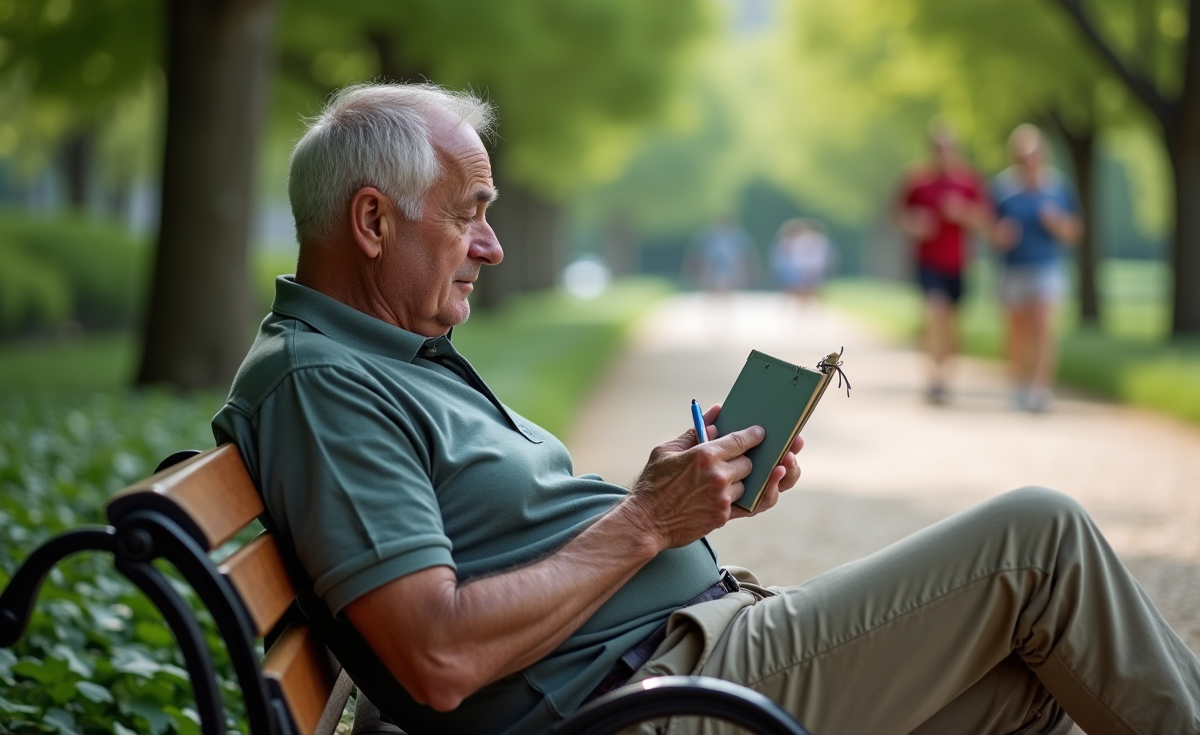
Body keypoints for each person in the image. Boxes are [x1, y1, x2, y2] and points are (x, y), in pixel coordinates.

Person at [213, 83, 1200, 735]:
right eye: (471, 212)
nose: (493, 246)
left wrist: (683, 494)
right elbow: (435, 654)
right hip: (653, 697)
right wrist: (648, 522)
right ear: (373, 220)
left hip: (677, 663)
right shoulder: (323, 383)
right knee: (1039, 542)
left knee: (1032, 687)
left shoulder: (383, 357)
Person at [896, 124, 991, 405]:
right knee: (934, 313)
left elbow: (985, 220)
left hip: (958, 264)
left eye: (948, 148)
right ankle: (933, 379)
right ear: (931, 150)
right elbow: (899, 215)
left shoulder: (968, 181)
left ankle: (946, 377)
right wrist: (914, 224)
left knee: (952, 324)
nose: (943, 153)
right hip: (928, 262)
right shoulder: (917, 181)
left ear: (956, 150)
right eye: (938, 148)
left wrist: (962, 212)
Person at [991, 124, 1082, 414]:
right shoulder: (1003, 189)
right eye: (1024, 155)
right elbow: (989, 230)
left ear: (1043, 155)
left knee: (1043, 326)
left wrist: (1056, 223)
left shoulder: (1057, 187)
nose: (1029, 160)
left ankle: (1040, 389)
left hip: (1046, 267)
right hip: (1014, 268)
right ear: (1015, 157)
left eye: (1034, 154)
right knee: (1017, 332)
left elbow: (1075, 231)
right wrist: (1000, 235)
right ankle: (1020, 385)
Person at [770, 218, 835, 304]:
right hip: (807, 267)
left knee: (807, 289)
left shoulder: (814, 240)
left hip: (805, 267)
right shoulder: (812, 239)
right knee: (804, 289)